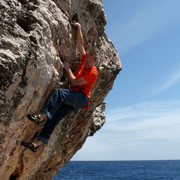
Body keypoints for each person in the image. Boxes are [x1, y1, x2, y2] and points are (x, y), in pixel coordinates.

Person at [21, 22, 98, 152]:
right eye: (87, 60)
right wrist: (79, 27)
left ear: (95, 61)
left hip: (82, 98)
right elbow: (80, 44)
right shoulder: (85, 59)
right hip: (75, 97)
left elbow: (74, 83)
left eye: (91, 62)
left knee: (60, 93)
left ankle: (41, 117)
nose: (87, 63)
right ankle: (37, 144)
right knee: (56, 117)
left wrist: (67, 69)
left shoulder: (93, 73)